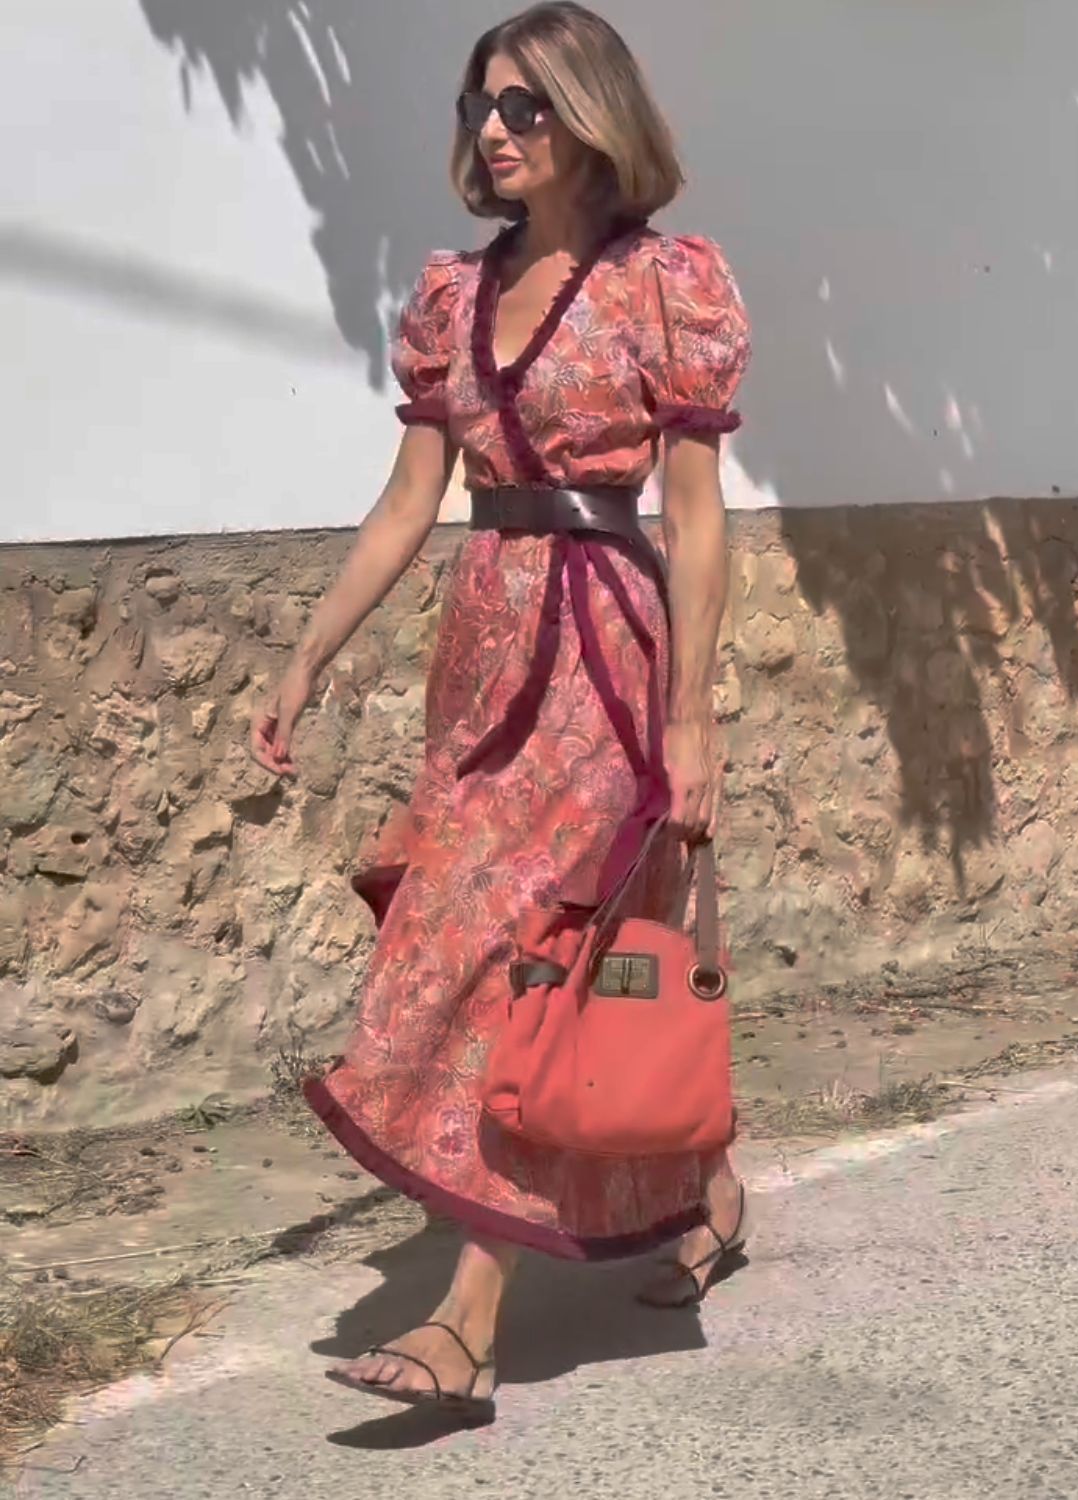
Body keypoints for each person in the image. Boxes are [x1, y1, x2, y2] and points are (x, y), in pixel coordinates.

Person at [250, 0, 750, 1423]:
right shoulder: (451, 295)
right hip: (482, 661)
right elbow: (410, 498)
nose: (495, 128)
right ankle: (708, 1185)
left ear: (592, 117)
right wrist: (309, 653)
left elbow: (698, 522)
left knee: (532, 960)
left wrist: (690, 717)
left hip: (606, 653)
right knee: (471, 936)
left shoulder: (667, 286)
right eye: (482, 104)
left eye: (526, 104)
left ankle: (465, 1321)